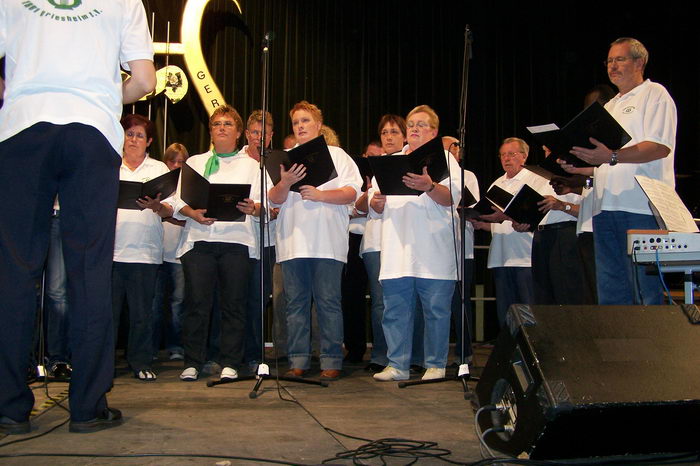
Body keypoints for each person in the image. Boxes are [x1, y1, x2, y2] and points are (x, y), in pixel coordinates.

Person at [0, 1, 154, 434]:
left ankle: (9, 406)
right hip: (91, 131)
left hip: (22, 130)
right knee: (89, 269)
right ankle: (87, 406)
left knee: (14, 270)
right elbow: (144, 80)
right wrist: (106, 93)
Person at [568, 38, 676, 305]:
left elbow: (658, 147)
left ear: (639, 62)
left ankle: (651, 348)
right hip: (605, 208)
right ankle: (620, 347)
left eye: (620, 59)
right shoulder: (611, 105)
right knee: (611, 291)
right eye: (609, 61)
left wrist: (612, 156)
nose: (612, 66)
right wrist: (578, 163)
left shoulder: (655, 94)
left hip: (640, 207)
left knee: (644, 290)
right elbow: (604, 159)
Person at [170, 105, 265, 382]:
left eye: (227, 124)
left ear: (238, 133)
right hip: (200, 241)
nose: (221, 128)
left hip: (237, 242)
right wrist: (192, 212)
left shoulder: (252, 166)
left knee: (234, 305)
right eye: (216, 124)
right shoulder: (196, 162)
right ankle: (193, 361)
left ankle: (230, 362)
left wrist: (253, 208)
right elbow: (178, 201)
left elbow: (267, 205)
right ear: (210, 131)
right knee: (197, 304)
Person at [268, 101, 362, 381]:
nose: (300, 126)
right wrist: (285, 182)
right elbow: (272, 198)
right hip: (293, 242)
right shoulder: (282, 157)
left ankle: (331, 358)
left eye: (306, 121)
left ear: (319, 125)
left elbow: (352, 192)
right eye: (296, 122)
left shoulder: (338, 155)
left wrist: (321, 195)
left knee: (328, 302)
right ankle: (298, 359)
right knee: (295, 303)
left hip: (328, 242)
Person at [370, 105, 462, 382]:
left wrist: (430, 186)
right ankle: (397, 364)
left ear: (434, 132)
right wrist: (376, 201)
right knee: (395, 311)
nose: (414, 129)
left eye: (421, 125)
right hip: (397, 251)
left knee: (436, 311)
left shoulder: (446, 159)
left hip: (433, 252)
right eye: (411, 124)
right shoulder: (390, 160)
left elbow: (453, 199)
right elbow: (373, 205)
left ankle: (435, 364)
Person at [113, 114, 174, 382]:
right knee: (107, 314)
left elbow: (171, 208)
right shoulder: (109, 164)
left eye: (139, 135)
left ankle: (140, 361)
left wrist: (156, 206)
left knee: (142, 314)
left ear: (149, 141)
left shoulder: (159, 169)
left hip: (145, 254)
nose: (133, 140)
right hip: (110, 252)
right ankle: (102, 363)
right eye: (129, 134)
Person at [471, 138, 547, 327]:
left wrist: (505, 217)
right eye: (503, 154)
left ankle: (532, 354)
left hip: (526, 257)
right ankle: (508, 354)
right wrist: (483, 223)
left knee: (528, 311)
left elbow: (537, 216)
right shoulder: (497, 183)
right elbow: (498, 221)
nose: (506, 158)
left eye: (511, 154)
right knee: (506, 312)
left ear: (524, 155)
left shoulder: (537, 180)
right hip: (500, 257)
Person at [240, 110, 279, 372]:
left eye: (264, 134)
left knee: (258, 299)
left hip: (268, 241)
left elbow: (282, 200)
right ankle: (232, 352)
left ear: (271, 136)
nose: (259, 138)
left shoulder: (277, 164)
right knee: (234, 298)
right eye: (254, 132)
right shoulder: (235, 160)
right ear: (246, 134)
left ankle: (254, 354)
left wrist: (273, 209)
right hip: (239, 241)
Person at [443, 135, 480, 365]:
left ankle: (464, 353)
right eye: (450, 146)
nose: (456, 150)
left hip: (462, 248)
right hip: (438, 249)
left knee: (461, 302)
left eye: (457, 146)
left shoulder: (469, 176)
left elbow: (472, 206)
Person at [152, 143, 190, 361]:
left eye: (181, 161)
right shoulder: (158, 185)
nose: (176, 165)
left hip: (178, 253)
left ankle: (176, 346)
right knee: (155, 303)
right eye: (172, 160)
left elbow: (189, 218)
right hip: (156, 252)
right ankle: (153, 347)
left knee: (178, 303)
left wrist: (171, 215)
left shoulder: (188, 186)